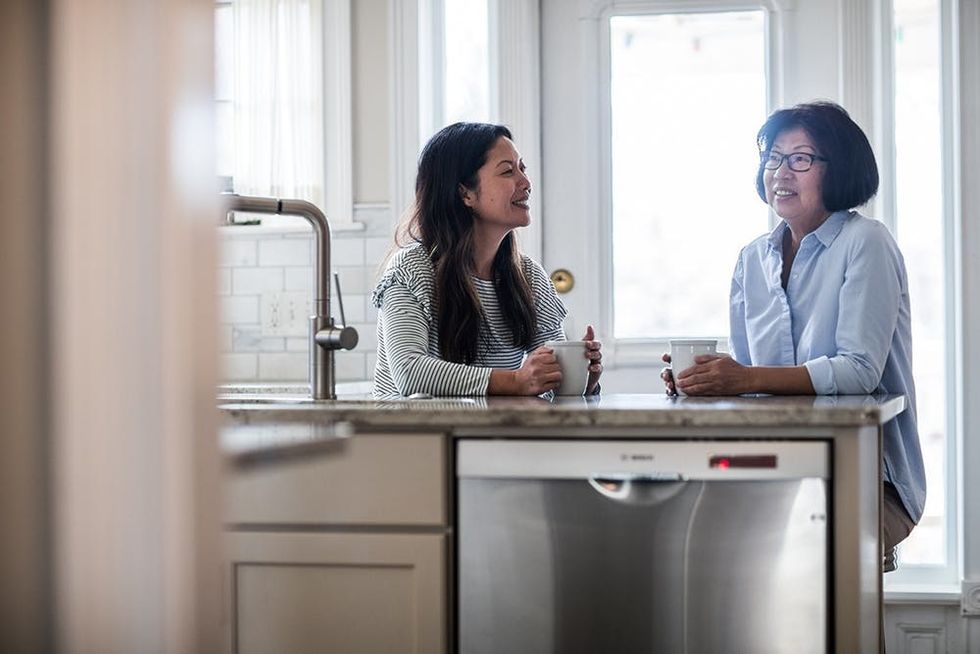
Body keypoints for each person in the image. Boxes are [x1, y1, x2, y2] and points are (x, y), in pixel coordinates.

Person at [662, 101, 925, 555]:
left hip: (869, 475)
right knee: (687, 532)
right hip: (779, 465)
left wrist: (743, 377)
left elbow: (859, 371)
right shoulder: (751, 259)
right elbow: (751, 381)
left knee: (800, 555)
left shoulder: (867, 242)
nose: (781, 172)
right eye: (773, 158)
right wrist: (706, 381)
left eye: (800, 159)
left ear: (838, 167)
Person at [372, 122, 602, 398]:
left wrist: (580, 376)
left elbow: (545, 381)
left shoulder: (530, 277)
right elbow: (411, 374)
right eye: (507, 171)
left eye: (522, 169)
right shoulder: (410, 270)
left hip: (489, 437)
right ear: (465, 193)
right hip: (415, 439)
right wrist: (517, 381)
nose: (526, 183)